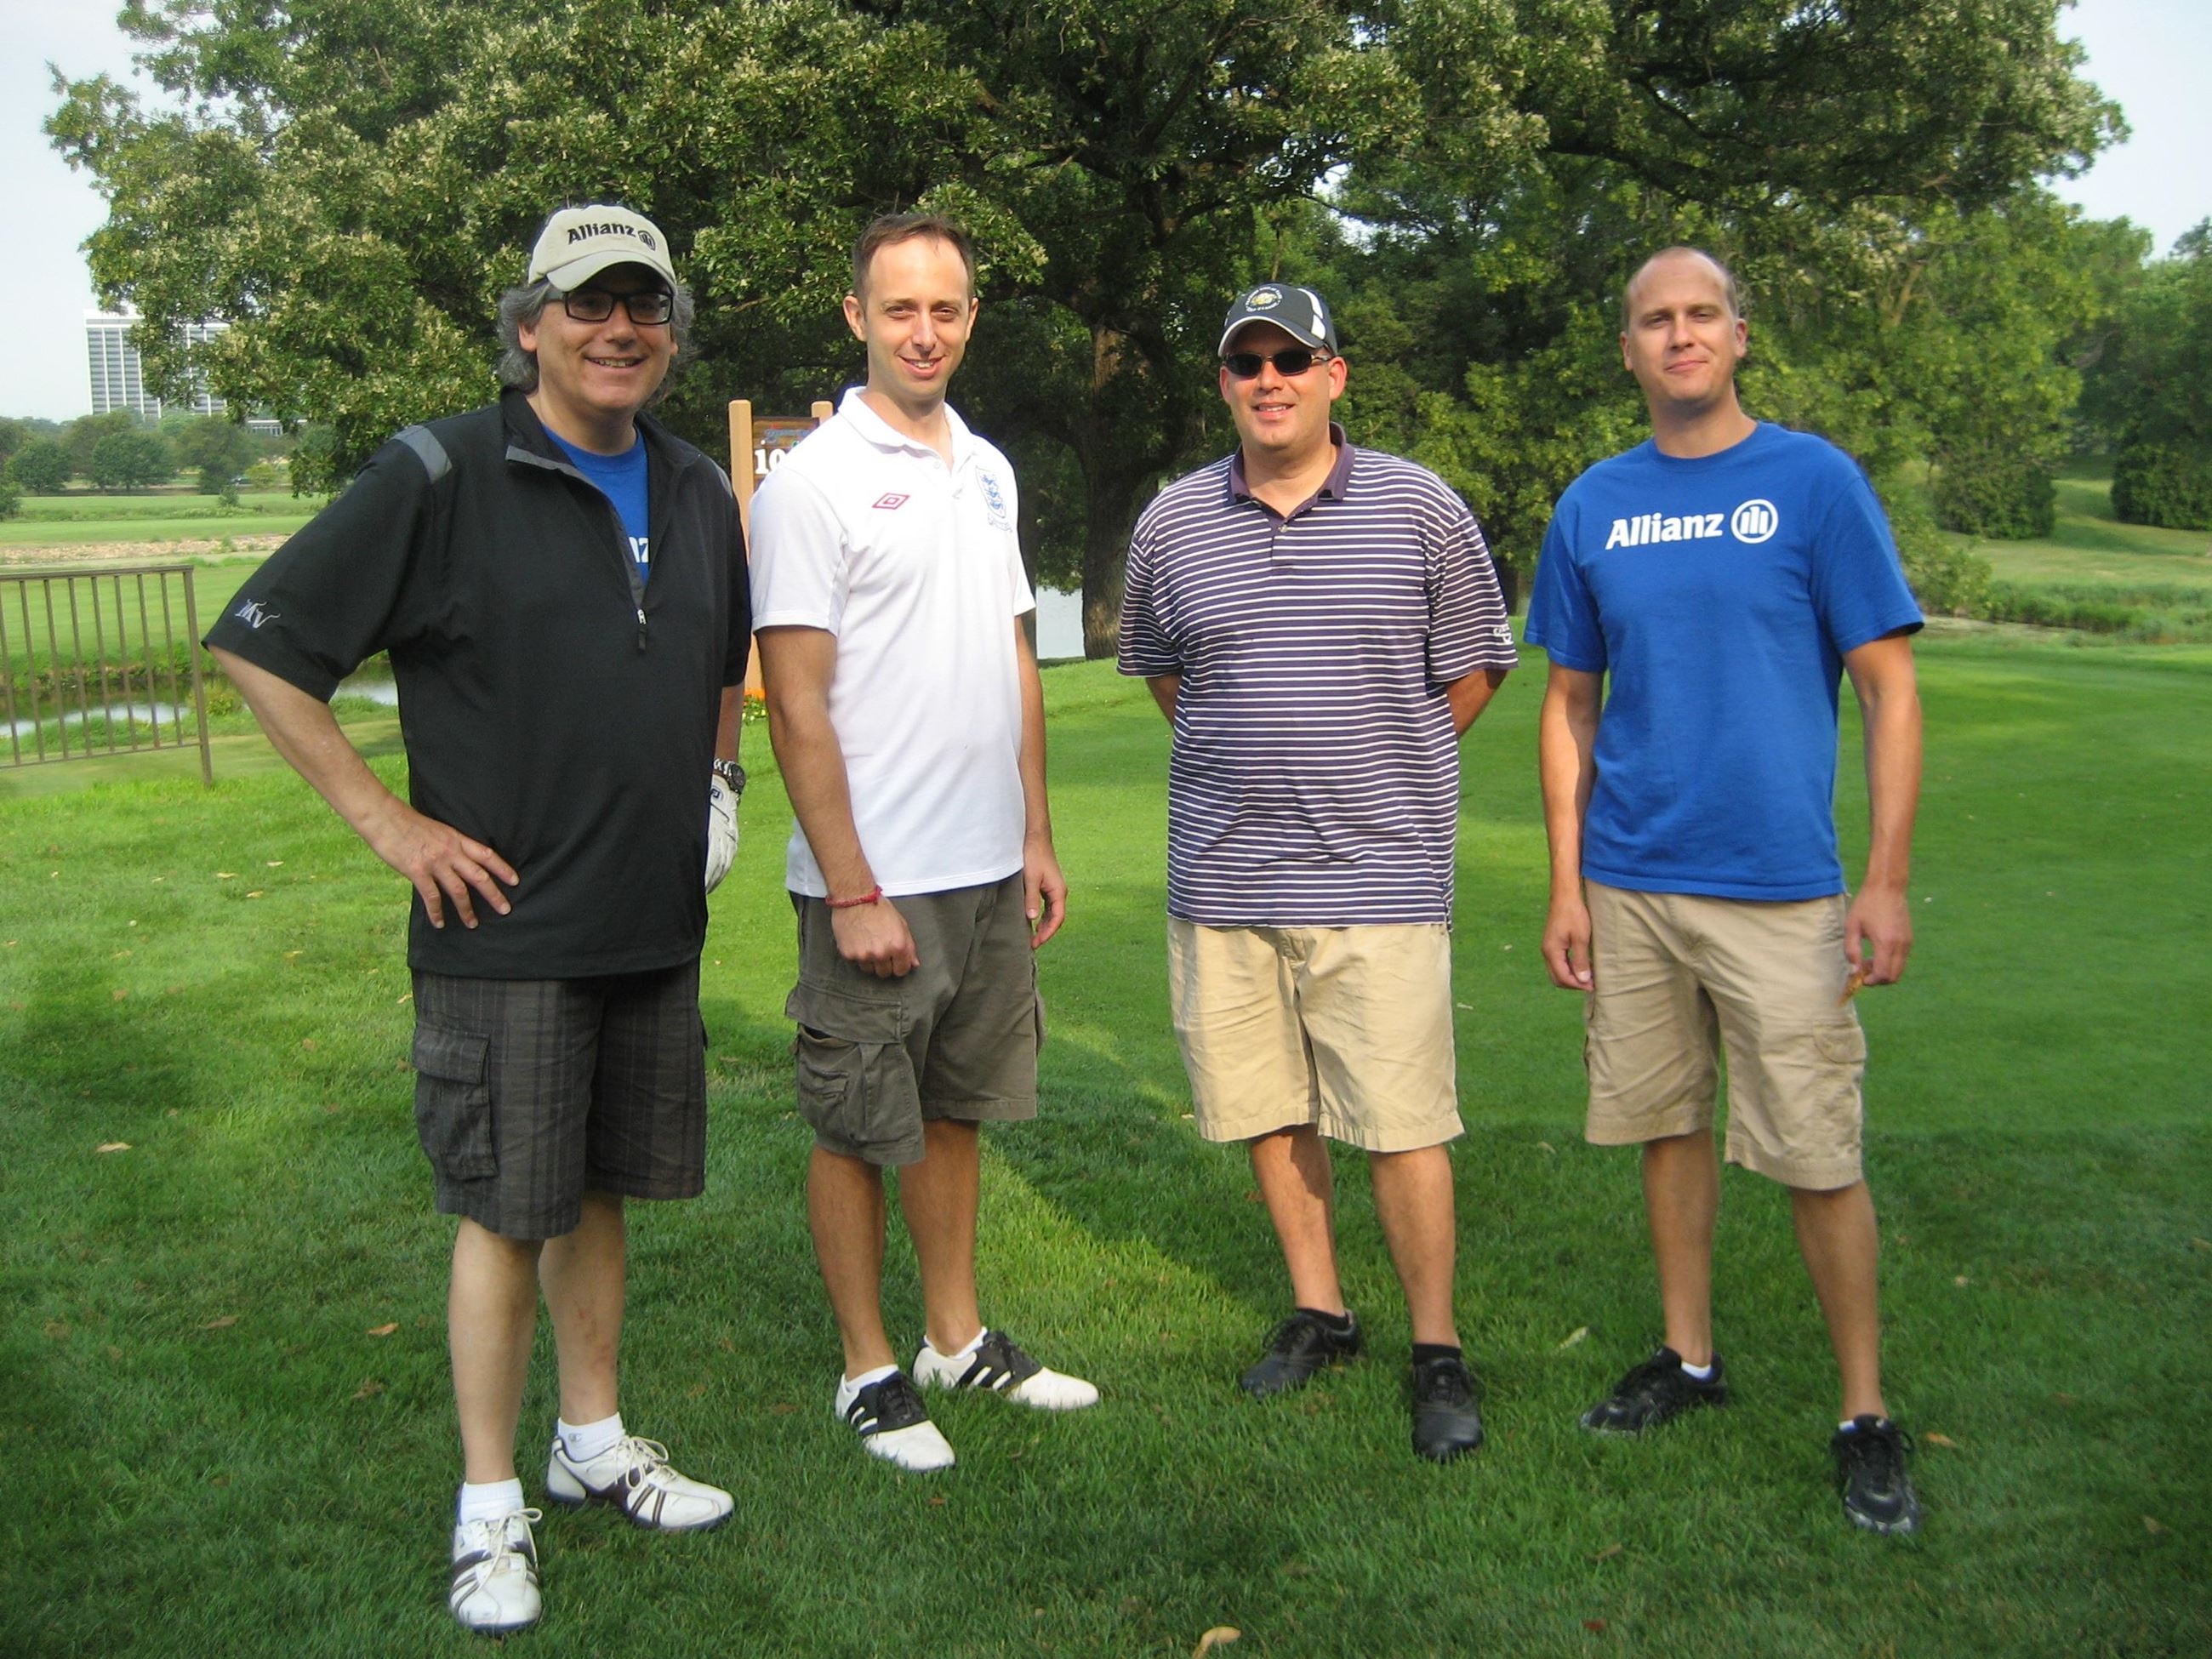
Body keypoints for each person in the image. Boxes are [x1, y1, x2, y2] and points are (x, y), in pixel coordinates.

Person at [203, 203, 750, 1632]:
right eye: (587, 304)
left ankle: (592, 1439)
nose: (618, 328)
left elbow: (720, 661)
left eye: (644, 305)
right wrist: (390, 824)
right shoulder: (443, 470)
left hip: (648, 921)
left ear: (672, 334)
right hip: (506, 928)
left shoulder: (696, 486)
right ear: (528, 328)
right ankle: (489, 1505)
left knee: (599, 1190)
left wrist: (719, 783)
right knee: (508, 1211)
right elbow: (261, 645)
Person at [1526, 246, 1926, 1534]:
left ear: (1740, 335)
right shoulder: (1595, 503)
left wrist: (1884, 878)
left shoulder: (1814, 483)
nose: (1681, 335)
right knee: (1667, 1125)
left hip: (1779, 887)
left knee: (1816, 1151)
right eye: (1657, 319)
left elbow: (1890, 689)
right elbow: (1569, 704)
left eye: (1703, 314)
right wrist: (1567, 883)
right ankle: (1688, 1357)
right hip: (1632, 880)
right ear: (1628, 349)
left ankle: (1864, 1412)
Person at [1116, 283, 1519, 1462]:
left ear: (1334, 374)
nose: (1270, 380)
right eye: (1248, 363)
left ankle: (1436, 1346)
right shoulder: (1172, 522)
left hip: (1379, 876)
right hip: (1227, 878)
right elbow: (1169, 676)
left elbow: (1475, 667)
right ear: (1224, 383)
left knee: (1401, 1123)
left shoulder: (1420, 506)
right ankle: (1322, 1310)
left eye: (1292, 359)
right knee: (1269, 1107)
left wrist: (1381, 766)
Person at [748, 212, 1097, 1474]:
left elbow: (1014, 656)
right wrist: (852, 890)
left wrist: (1034, 832)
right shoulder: (810, 486)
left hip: (986, 866)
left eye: (946, 309)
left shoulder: (988, 468)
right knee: (856, 1122)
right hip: (878, 879)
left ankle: (955, 1338)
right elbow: (794, 702)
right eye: (899, 308)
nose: (924, 331)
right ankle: (868, 1369)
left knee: (956, 1110)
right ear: (858, 317)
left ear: (971, 318)